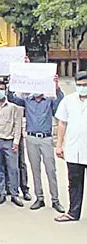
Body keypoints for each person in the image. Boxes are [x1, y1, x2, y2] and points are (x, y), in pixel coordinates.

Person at [7, 74, 65, 212]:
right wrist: (12, 81)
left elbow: (59, 107)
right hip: (31, 138)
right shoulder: (27, 100)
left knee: (51, 170)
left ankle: (55, 200)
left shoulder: (49, 100)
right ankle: (39, 198)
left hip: (46, 138)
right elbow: (12, 98)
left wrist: (56, 87)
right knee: (35, 169)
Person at [0, 80, 24, 207]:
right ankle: (1, 192)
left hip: (9, 141)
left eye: (2, 89)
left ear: (5, 90)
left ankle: (14, 194)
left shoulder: (13, 107)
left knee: (13, 169)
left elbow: (18, 126)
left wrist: (16, 142)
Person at [54, 71, 87, 223]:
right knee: (74, 182)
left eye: (85, 85)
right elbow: (62, 123)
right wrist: (59, 145)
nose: (82, 88)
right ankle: (73, 213)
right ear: (75, 84)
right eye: (79, 85)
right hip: (74, 149)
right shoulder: (68, 100)